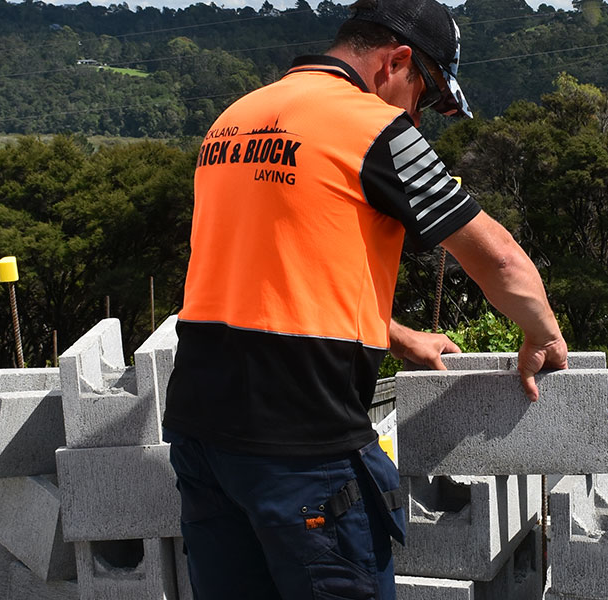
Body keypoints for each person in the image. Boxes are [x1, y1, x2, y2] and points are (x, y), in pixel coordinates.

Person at [160, 0, 567, 596]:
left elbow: (271, 275)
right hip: (304, 444)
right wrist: (545, 333)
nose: (419, 118)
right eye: (425, 97)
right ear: (396, 61)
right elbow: (497, 256)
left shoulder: (235, 119)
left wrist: (398, 336)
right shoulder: (374, 128)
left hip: (203, 438)